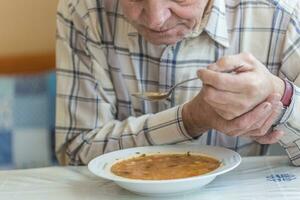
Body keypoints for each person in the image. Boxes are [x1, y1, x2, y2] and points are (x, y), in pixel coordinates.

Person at [55, 0, 300, 166]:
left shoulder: (283, 14)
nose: (155, 19)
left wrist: (283, 95)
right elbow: (75, 152)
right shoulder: (86, 10)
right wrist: (190, 119)